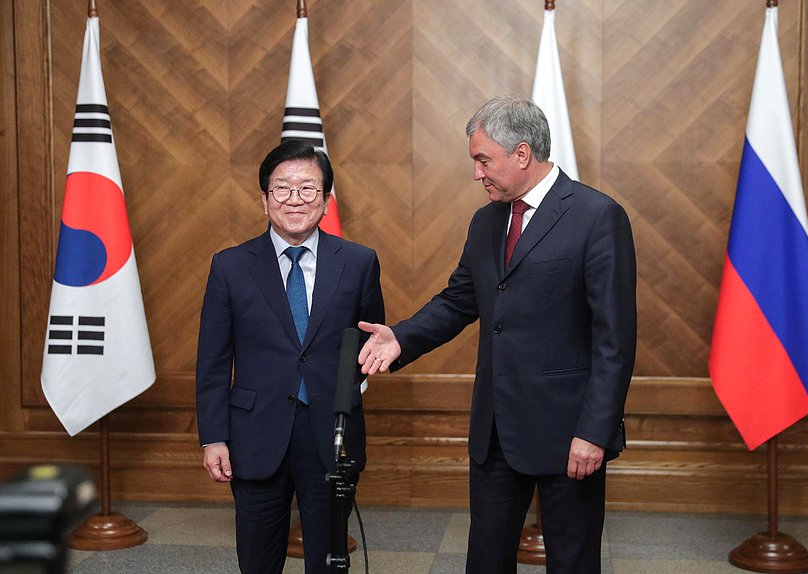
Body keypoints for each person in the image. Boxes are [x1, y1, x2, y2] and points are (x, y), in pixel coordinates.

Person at [358, 95, 636, 574]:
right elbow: (459, 300)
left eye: (483, 159)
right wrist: (401, 339)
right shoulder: (487, 221)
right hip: (496, 429)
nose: (476, 173)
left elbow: (615, 338)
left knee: (572, 562)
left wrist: (594, 431)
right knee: (485, 560)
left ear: (522, 154)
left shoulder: (596, 216)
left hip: (568, 431)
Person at [195, 139, 385, 574]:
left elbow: (369, 341)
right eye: (282, 189)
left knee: (328, 560)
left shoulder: (358, 262)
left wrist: (346, 391)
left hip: (330, 434)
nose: (294, 200)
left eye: (307, 189)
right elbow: (212, 361)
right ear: (264, 199)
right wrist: (214, 437)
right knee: (258, 561)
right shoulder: (230, 266)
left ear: (325, 199)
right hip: (255, 434)